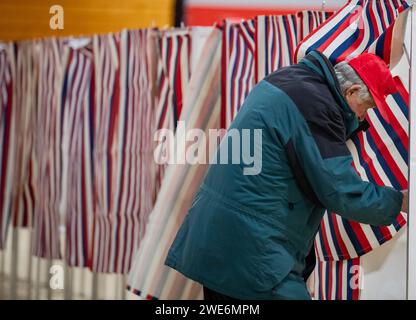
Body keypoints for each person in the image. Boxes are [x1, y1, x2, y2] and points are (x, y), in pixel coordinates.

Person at [164, 50, 409, 300]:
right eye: (365, 108)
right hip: (253, 249)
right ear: (352, 91)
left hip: (221, 236)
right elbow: (341, 191)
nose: (361, 118)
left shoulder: (289, 79)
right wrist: (400, 201)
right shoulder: (316, 106)